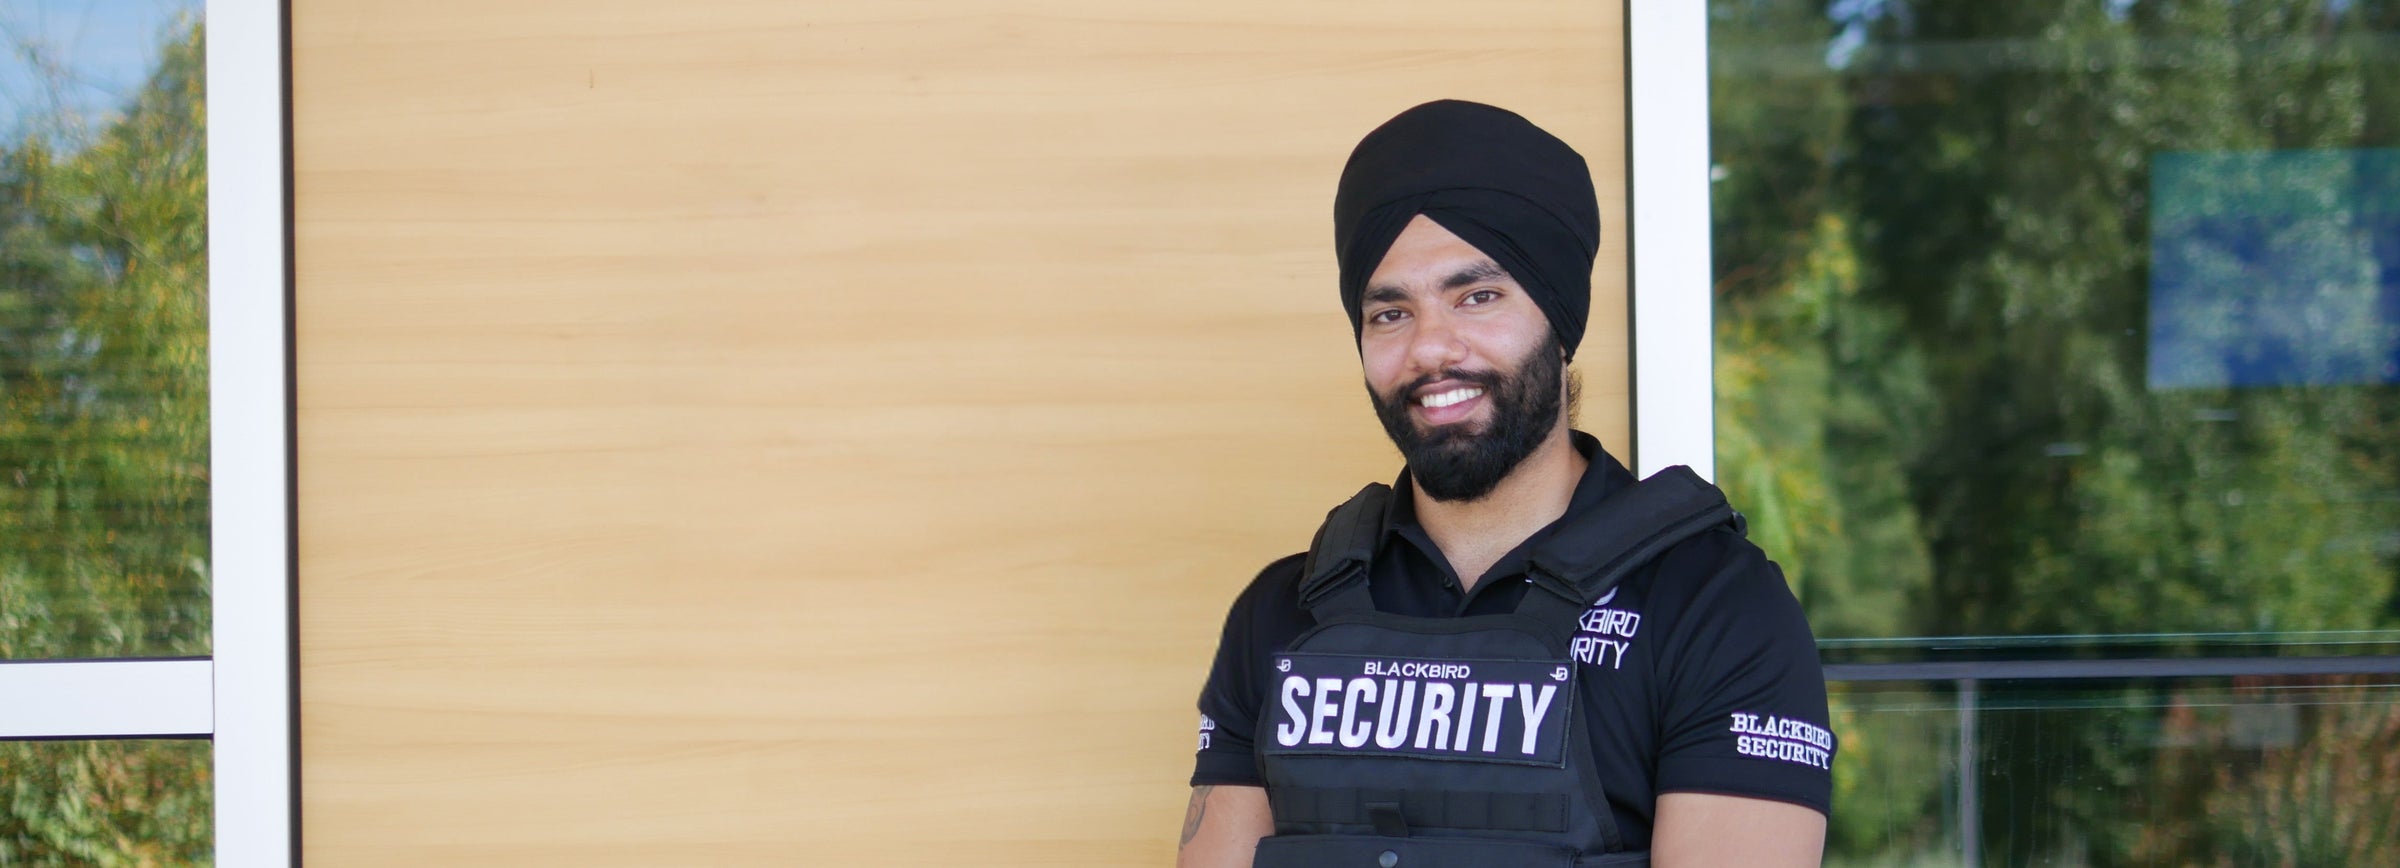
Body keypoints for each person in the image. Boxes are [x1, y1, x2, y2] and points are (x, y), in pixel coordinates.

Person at [1175, 100, 1834, 868]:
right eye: (1390, 312)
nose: (1430, 349)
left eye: (1477, 297)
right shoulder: (1283, 614)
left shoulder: (1713, 608)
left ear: (1558, 321)